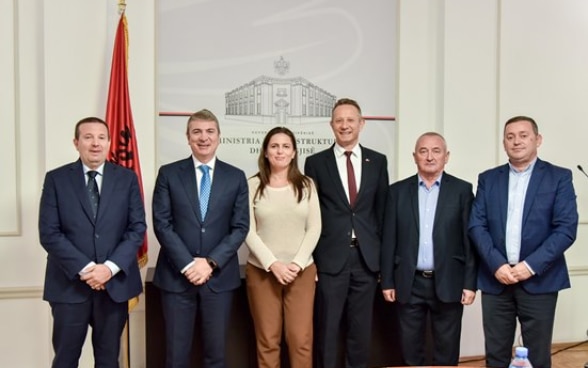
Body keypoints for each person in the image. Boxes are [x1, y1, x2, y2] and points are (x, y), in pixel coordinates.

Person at [469, 116, 578, 368]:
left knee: (537, 357)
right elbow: (477, 225)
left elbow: (566, 229)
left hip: (540, 279)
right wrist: (497, 265)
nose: (516, 141)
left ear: (537, 140)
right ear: (504, 143)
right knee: (495, 356)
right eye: (510, 137)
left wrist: (528, 266)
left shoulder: (558, 177)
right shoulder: (489, 179)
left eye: (523, 135)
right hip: (496, 280)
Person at [38, 116, 146, 368]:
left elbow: (136, 227)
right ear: (76, 143)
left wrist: (108, 268)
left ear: (109, 142)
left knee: (108, 359)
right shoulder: (56, 179)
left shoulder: (127, 178)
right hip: (68, 286)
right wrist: (88, 270)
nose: (95, 143)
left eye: (101, 137)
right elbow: (49, 233)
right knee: (65, 358)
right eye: (88, 137)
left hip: (114, 287)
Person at [152, 109, 249, 368]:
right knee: (176, 356)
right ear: (188, 137)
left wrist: (210, 262)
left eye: (209, 132)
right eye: (197, 132)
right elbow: (162, 224)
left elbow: (240, 227)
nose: (203, 138)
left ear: (219, 137)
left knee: (216, 356)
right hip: (175, 277)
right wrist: (188, 264)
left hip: (218, 278)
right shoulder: (168, 174)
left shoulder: (236, 176)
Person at [304, 98, 389, 368]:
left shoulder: (377, 161)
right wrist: (314, 260)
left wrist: (383, 264)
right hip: (330, 260)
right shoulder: (316, 163)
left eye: (350, 120)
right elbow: (311, 215)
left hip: (366, 260)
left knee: (360, 331)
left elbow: (382, 213)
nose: (344, 125)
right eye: (339, 120)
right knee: (327, 329)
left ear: (361, 124)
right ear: (331, 125)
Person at [380, 132, 477, 366]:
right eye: (423, 151)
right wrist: (388, 281)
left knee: (447, 350)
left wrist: (469, 283)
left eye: (436, 151)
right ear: (415, 157)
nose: (430, 157)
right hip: (408, 282)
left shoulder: (462, 191)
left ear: (447, 156)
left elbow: (470, 240)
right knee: (410, 350)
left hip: (449, 281)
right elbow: (388, 239)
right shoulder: (397, 192)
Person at [245, 126, 321, 368]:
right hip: (262, 272)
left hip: (301, 272)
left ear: (294, 152)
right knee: (268, 340)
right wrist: (273, 264)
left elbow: (314, 228)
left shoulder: (307, 184)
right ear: (266, 152)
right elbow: (247, 230)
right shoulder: (252, 185)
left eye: (286, 146)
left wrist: (297, 264)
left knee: (300, 339)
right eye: (274, 146)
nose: (280, 151)